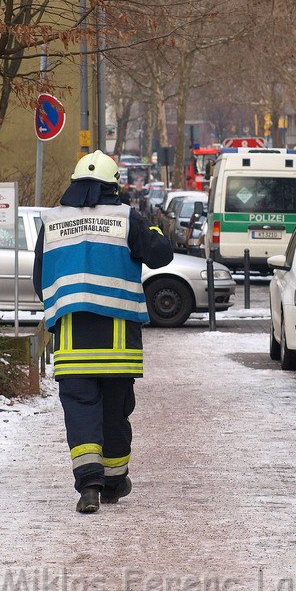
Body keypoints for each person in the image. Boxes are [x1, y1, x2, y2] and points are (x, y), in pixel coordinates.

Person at [33, 150, 173, 514]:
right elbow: (162, 255)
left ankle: (90, 486)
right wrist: (152, 225)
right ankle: (114, 481)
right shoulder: (127, 218)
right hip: (118, 343)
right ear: (114, 186)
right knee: (115, 412)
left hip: (71, 342)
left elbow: (39, 279)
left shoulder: (52, 222)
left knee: (80, 412)